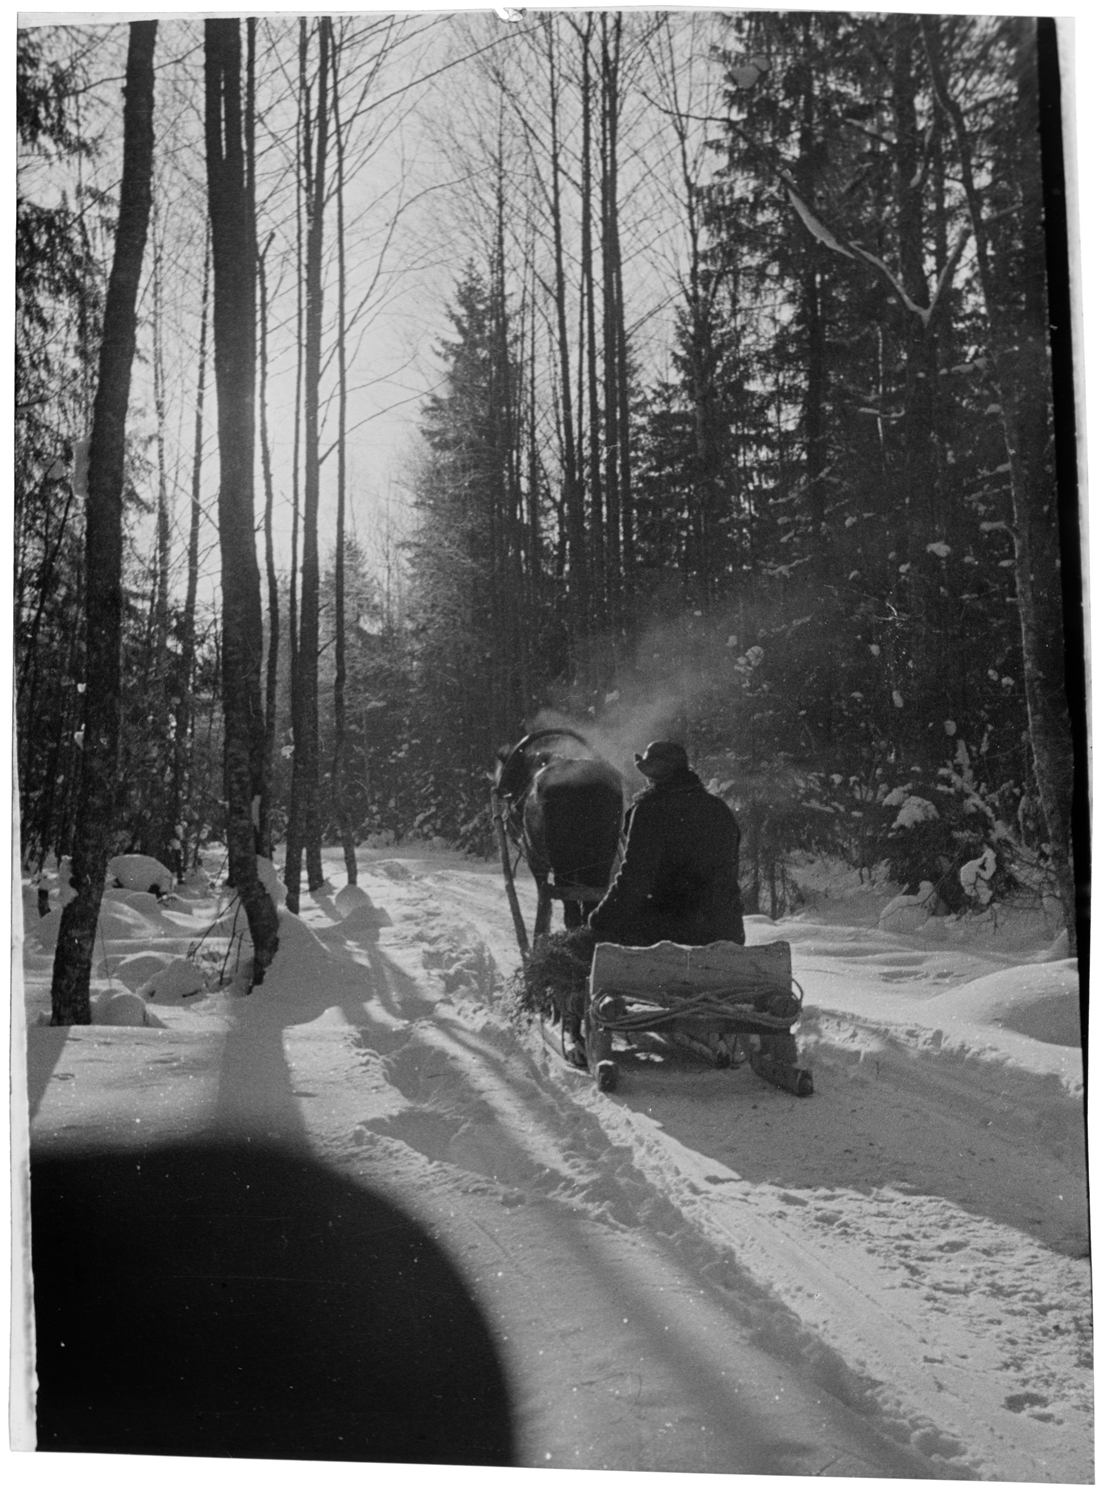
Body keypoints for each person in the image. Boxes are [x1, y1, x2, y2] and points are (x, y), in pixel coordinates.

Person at [588, 741, 745, 947]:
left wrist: (599, 920)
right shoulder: (718, 808)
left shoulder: (650, 809)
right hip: (724, 931)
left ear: (654, 776)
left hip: (671, 934)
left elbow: (635, 880)